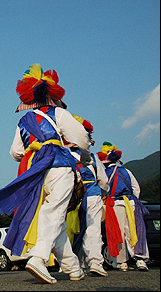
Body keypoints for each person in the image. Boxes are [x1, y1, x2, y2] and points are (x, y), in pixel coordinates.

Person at [0, 63, 91, 284]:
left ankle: (73, 268)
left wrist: (34, 149)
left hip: (36, 173)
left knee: (55, 220)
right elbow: (82, 138)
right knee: (53, 214)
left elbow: (15, 152)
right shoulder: (59, 113)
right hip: (59, 167)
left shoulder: (23, 121)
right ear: (52, 95)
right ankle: (38, 259)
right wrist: (83, 158)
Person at [65, 117, 109, 277]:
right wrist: (101, 194)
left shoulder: (65, 157)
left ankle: (75, 264)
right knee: (93, 229)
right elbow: (103, 181)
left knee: (73, 231)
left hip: (72, 200)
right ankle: (95, 262)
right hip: (92, 195)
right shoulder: (92, 158)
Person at [98, 142, 150, 272]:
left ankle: (121, 262)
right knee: (133, 230)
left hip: (115, 204)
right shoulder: (126, 171)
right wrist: (132, 200)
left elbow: (103, 188)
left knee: (117, 232)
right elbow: (136, 188)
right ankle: (140, 260)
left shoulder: (105, 173)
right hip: (130, 203)